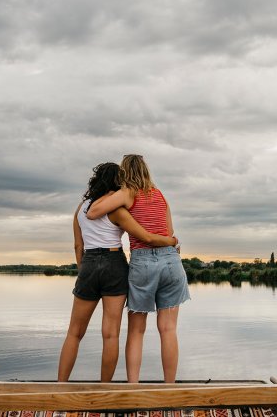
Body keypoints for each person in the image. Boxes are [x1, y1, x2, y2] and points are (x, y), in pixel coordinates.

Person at [58, 162, 177, 382]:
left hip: (89, 263)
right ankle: (106, 388)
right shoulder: (118, 210)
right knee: (110, 334)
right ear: (118, 181)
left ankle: (60, 385)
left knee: (74, 332)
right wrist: (171, 241)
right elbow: (143, 234)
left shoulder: (81, 208)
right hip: (114, 263)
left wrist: (83, 271)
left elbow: (78, 246)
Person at [87, 154, 190, 383]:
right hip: (171, 261)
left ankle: (134, 387)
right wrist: (172, 246)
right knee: (168, 329)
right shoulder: (161, 195)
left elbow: (93, 212)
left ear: (124, 172)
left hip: (142, 262)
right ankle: (169, 388)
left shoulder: (127, 193)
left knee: (136, 331)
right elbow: (169, 234)